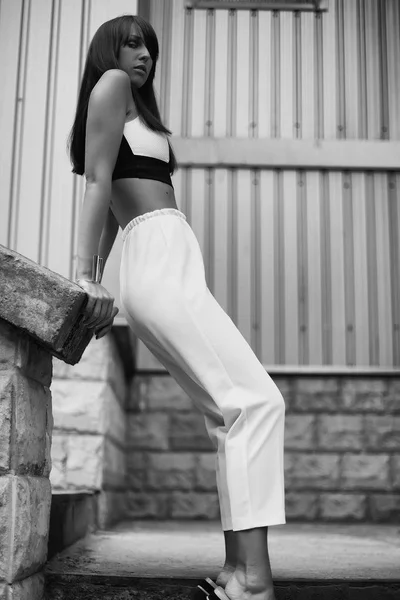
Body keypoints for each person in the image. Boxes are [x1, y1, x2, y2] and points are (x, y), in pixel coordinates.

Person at [69, 14, 286, 600]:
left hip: (170, 263)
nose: (143, 56)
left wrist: (112, 275)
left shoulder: (143, 115)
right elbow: (97, 183)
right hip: (159, 260)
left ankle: (236, 574)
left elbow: (116, 196)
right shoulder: (111, 84)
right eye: (132, 44)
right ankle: (254, 581)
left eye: (150, 48)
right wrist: (86, 278)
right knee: (260, 400)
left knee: (228, 415)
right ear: (110, 50)